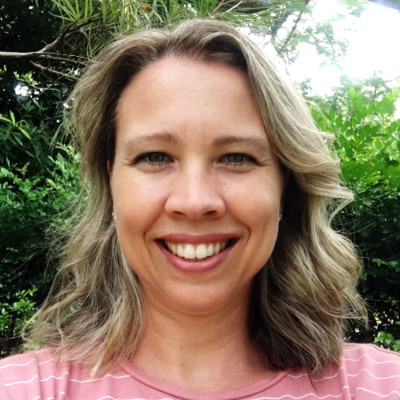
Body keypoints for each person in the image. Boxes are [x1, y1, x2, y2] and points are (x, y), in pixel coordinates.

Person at [1, 18, 399, 400]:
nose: (194, 202)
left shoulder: (382, 386)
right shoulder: (22, 390)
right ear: (111, 184)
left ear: (285, 187)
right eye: (155, 157)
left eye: (237, 158)